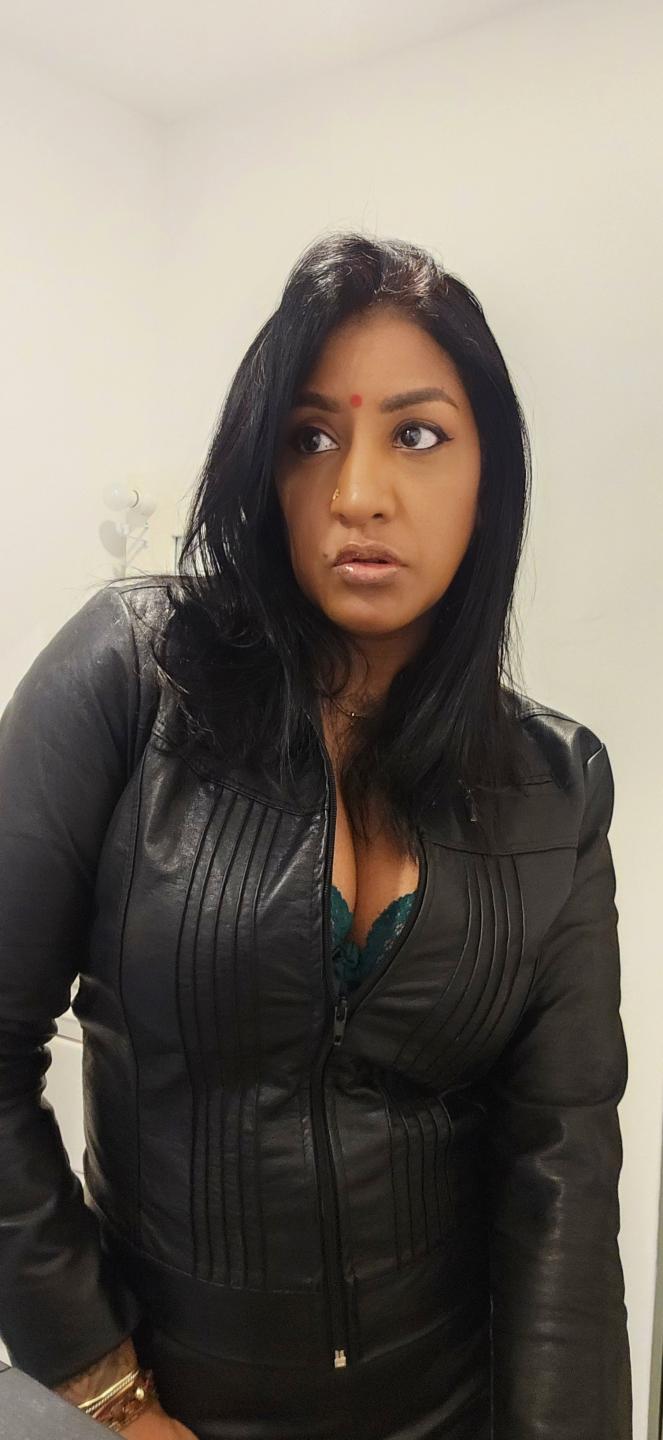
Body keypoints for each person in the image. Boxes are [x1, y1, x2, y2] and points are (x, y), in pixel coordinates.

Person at [0, 231, 632, 1439]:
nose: (357, 495)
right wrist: (106, 1388)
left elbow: (560, 1175)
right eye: (310, 439)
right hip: (163, 1409)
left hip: (444, 1410)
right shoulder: (132, 679)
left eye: (418, 435)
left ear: (491, 476)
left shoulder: (556, 786)